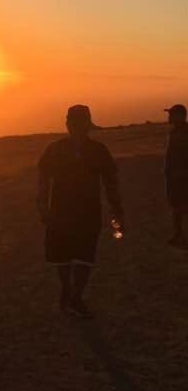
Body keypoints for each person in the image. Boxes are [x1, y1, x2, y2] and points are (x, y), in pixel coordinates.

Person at [37, 104, 124, 319]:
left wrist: (116, 208)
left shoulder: (96, 150)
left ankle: (74, 296)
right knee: (66, 256)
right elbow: (43, 179)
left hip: (83, 212)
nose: (76, 127)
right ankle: (70, 292)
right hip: (63, 212)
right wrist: (42, 205)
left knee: (82, 255)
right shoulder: (57, 149)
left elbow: (110, 181)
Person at [164, 103, 188, 250]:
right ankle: (179, 234)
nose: (169, 117)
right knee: (176, 206)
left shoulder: (183, 133)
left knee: (180, 206)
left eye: (171, 114)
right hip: (174, 176)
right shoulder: (174, 133)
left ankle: (180, 235)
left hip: (181, 176)